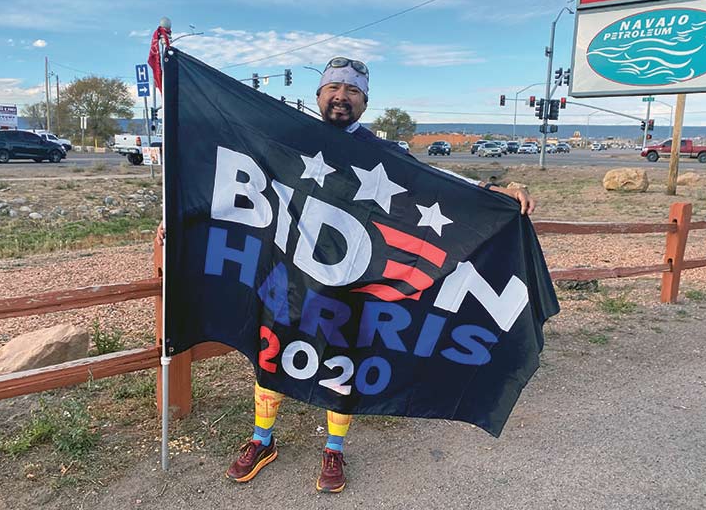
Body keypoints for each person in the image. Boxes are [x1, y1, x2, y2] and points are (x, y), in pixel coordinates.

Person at [158, 56, 536, 494]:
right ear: (318, 96)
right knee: (271, 352)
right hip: (287, 271)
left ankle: (333, 448)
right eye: (333, 89)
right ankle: (262, 440)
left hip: (353, 281)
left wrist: (492, 192)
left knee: (342, 362)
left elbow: (433, 181)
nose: (341, 97)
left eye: (352, 91)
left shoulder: (381, 152)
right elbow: (229, 169)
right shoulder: (288, 136)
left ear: (365, 101)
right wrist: (180, 213)